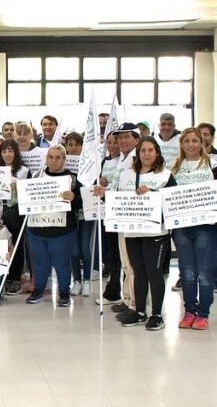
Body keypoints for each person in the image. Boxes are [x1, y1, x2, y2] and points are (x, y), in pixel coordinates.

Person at [96, 137, 176, 331]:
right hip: (132, 232)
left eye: (150, 150)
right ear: (138, 154)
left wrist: (153, 192)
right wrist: (103, 194)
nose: (147, 154)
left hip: (156, 232)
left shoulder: (165, 175)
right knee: (138, 272)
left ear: (157, 153)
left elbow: (173, 200)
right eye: (143, 151)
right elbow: (118, 201)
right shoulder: (127, 175)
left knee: (154, 272)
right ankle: (139, 311)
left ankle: (157, 314)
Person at [170, 128, 217, 331]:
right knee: (188, 272)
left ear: (202, 143)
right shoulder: (174, 167)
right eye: (187, 141)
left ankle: (203, 313)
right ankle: (189, 310)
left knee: (204, 273)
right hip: (182, 227)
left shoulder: (213, 166)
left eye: (195, 140)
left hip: (205, 226)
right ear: (181, 144)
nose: (191, 144)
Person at [26, 145, 80, 307]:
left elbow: (81, 202)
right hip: (37, 229)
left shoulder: (72, 179)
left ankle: (64, 293)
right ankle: (38, 290)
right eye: (51, 157)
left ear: (64, 159)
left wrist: (74, 197)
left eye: (58, 157)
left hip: (61, 230)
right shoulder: (37, 176)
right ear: (46, 158)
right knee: (40, 262)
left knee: (62, 263)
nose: (54, 160)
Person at [97, 124, 140, 309]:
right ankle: (128, 298)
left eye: (126, 137)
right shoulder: (122, 160)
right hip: (117, 216)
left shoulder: (137, 159)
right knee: (125, 263)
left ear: (136, 139)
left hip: (132, 217)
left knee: (132, 264)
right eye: (119, 138)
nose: (122, 141)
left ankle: (135, 303)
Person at [0, 138, 30, 296]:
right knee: (0, 244)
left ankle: (15, 279)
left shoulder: (24, 171)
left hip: (16, 213)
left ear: (16, 153)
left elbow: (30, 195)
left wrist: (20, 188)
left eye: (10, 151)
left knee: (16, 245)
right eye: (4, 151)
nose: (7, 154)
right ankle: (2, 276)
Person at [62, 131, 93, 297]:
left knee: (84, 247)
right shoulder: (64, 165)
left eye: (76, 144)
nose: (73, 148)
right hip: (71, 213)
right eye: (70, 145)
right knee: (73, 249)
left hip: (86, 211)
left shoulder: (89, 165)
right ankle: (77, 281)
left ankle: (87, 280)